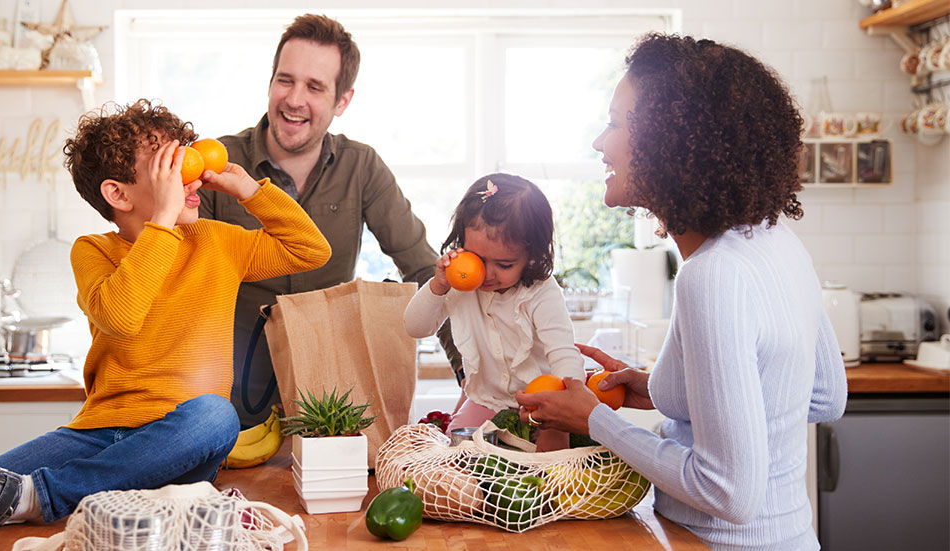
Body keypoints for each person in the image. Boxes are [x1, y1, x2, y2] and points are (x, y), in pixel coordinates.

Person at [0, 99, 331, 550]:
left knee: (216, 414)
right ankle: (51, 492)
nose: (190, 173)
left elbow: (310, 251)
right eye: (170, 165)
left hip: (180, 440)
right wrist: (163, 220)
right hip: (99, 436)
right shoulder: (93, 251)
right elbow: (121, 316)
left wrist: (249, 189)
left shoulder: (217, 242)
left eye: (185, 154)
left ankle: (41, 496)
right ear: (118, 194)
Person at [514, 34, 848, 550]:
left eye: (616, 123)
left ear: (669, 142)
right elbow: (824, 395)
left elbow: (728, 494)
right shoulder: (775, 239)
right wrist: (676, 389)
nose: (600, 143)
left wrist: (595, 420)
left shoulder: (711, 275)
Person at [199, 13, 456, 427]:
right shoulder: (218, 163)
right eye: (286, 80)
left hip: (329, 402)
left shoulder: (363, 167)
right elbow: (182, 286)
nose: (295, 99)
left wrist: (470, 378)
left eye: (314, 86)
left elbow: (429, 273)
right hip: (227, 399)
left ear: (342, 101)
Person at [404, 173, 585, 451]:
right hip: (487, 400)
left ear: (532, 255)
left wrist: (561, 418)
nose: (487, 274)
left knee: (549, 464)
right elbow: (416, 327)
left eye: (504, 264)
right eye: (478, 258)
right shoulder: (459, 281)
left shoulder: (541, 292)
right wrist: (438, 285)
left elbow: (563, 355)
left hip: (544, 405)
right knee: (457, 454)